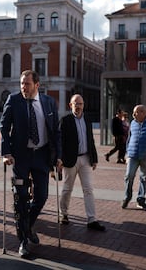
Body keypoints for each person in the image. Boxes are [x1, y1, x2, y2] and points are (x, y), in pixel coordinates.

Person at [0, 70, 61, 258]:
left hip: (42, 155)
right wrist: (6, 152)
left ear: (37, 85)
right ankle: (23, 242)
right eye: (21, 84)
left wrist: (58, 155)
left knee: (41, 196)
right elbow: (4, 126)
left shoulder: (49, 102)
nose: (23, 87)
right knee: (21, 198)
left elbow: (55, 131)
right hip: (20, 157)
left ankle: (26, 227)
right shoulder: (14, 100)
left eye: (27, 84)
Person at [58, 94, 106, 231]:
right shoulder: (65, 120)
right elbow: (60, 141)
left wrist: (94, 158)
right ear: (70, 105)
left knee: (88, 189)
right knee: (67, 188)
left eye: (80, 104)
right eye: (75, 104)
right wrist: (59, 159)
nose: (78, 106)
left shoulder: (88, 120)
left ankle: (92, 219)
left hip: (85, 158)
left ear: (83, 105)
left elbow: (90, 140)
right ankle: (64, 214)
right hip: (69, 160)